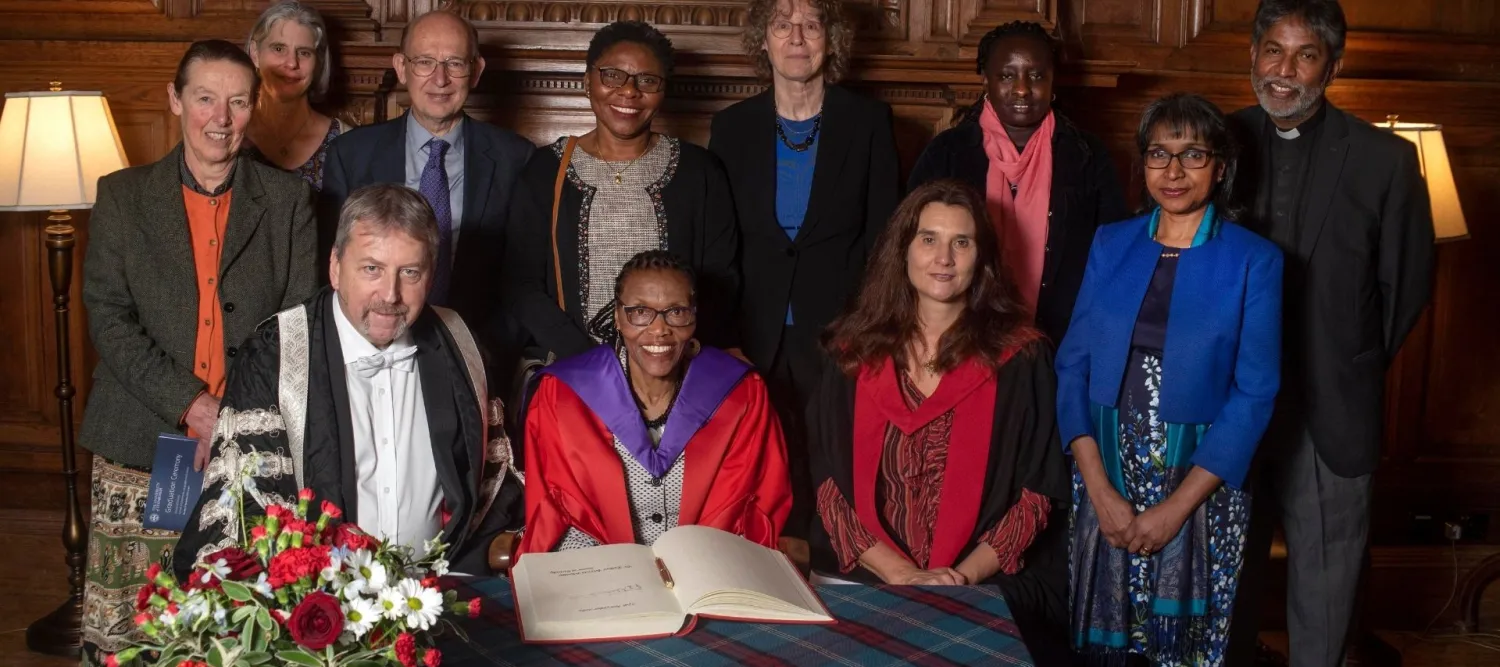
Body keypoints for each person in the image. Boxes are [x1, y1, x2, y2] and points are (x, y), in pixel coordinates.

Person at [78, 39, 317, 665]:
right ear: (175, 100)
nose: (220, 117)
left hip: (252, 448)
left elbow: (295, 328)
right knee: (130, 632)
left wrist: (233, 416)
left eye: (237, 102)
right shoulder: (123, 197)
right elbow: (108, 316)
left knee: (236, 633)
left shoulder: (289, 201)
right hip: (140, 442)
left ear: (254, 108)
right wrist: (192, 404)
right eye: (205, 98)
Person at [174, 183, 524, 578]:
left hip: (437, 592)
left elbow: (489, 489)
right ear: (336, 267)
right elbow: (247, 509)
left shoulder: (461, 346)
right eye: (371, 269)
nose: (390, 295)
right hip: (320, 609)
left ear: (430, 275)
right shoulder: (274, 356)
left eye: (410, 272)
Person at [1227, 2, 1435, 666]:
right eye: (1273, 52)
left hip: (1331, 414)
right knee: (1221, 586)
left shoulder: (1386, 160)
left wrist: (1346, 363)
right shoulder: (1215, 141)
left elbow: (1404, 289)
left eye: (1305, 55)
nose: (1285, 71)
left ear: (1333, 66)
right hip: (1228, 408)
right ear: (1253, 55)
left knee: (1326, 600)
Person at [1058, 93, 1283, 667]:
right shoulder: (1111, 242)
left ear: (1221, 167)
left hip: (1201, 484)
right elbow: (1072, 366)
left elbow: (1255, 393)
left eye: (1193, 155)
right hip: (1106, 472)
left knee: (1181, 650)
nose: (1174, 171)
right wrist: (1099, 489)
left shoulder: (1254, 260)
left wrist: (1176, 508)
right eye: (1159, 153)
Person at [807, 180, 1072, 664]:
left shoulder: (1021, 359)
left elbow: (1038, 494)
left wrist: (962, 578)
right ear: (902, 250)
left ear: (982, 259)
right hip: (866, 574)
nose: (943, 257)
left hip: (985, 579)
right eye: (928, 239)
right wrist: (901, 575)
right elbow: (828, 487)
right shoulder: (850, 356)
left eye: (962, 242)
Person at [708, 0, 900, 541]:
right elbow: (719, 246)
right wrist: (723, 338)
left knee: (834, 464)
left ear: (830, 40)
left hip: (842, 331)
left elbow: (885, 238)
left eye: (811, 25)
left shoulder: (867, 123)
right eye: (782, 25)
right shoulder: (732, 128)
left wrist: (866, 328)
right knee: (759, 470)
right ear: (762, 41)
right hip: (752, 332)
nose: (797, 36)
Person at [518, 250, 791, 555]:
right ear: (618, 318)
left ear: (694, 317)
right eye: (640, 311)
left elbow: (755, 506)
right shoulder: (563, 396)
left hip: (707, 569)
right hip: (597, 572)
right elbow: (555, 511)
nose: (659, 329)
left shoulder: (741, 395)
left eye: (676, 312)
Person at [318, 10, 534, 388]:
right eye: (424, 62)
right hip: (366, 361)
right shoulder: (351, 155)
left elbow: (524, 278)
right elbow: (332, 266)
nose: (440, 78)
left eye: (454, 63)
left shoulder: (516, 159)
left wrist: (484, 353)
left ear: (477, 70)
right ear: (401, 67)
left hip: (476, 361)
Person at [503, 21, 740, 364]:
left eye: (648, 80)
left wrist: (668, 355)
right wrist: (589, 359)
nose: (629, 91)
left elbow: (721, 282)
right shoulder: (545, 171)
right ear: (588, 81)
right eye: (612, 75)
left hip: (675, 368)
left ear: (663, 91)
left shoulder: (700, 172)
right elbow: (520, 285)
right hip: (574, 369)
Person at [907, 21, 1128, 345]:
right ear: (986, 80)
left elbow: (1114, 249)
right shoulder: (948, 152)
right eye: (1007, 75)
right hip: (958, 335)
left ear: (1053, 82)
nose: (1023, 89)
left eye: (1036, 76)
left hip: (1062, 339)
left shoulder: (1086, 155)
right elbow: (907, 240)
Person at [243, 1, 348, 190]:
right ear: (255, 54)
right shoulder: (230, 132)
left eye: (304, 52)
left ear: (318, 63)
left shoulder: (345, 141)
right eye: (278, 49)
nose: (292, 63)